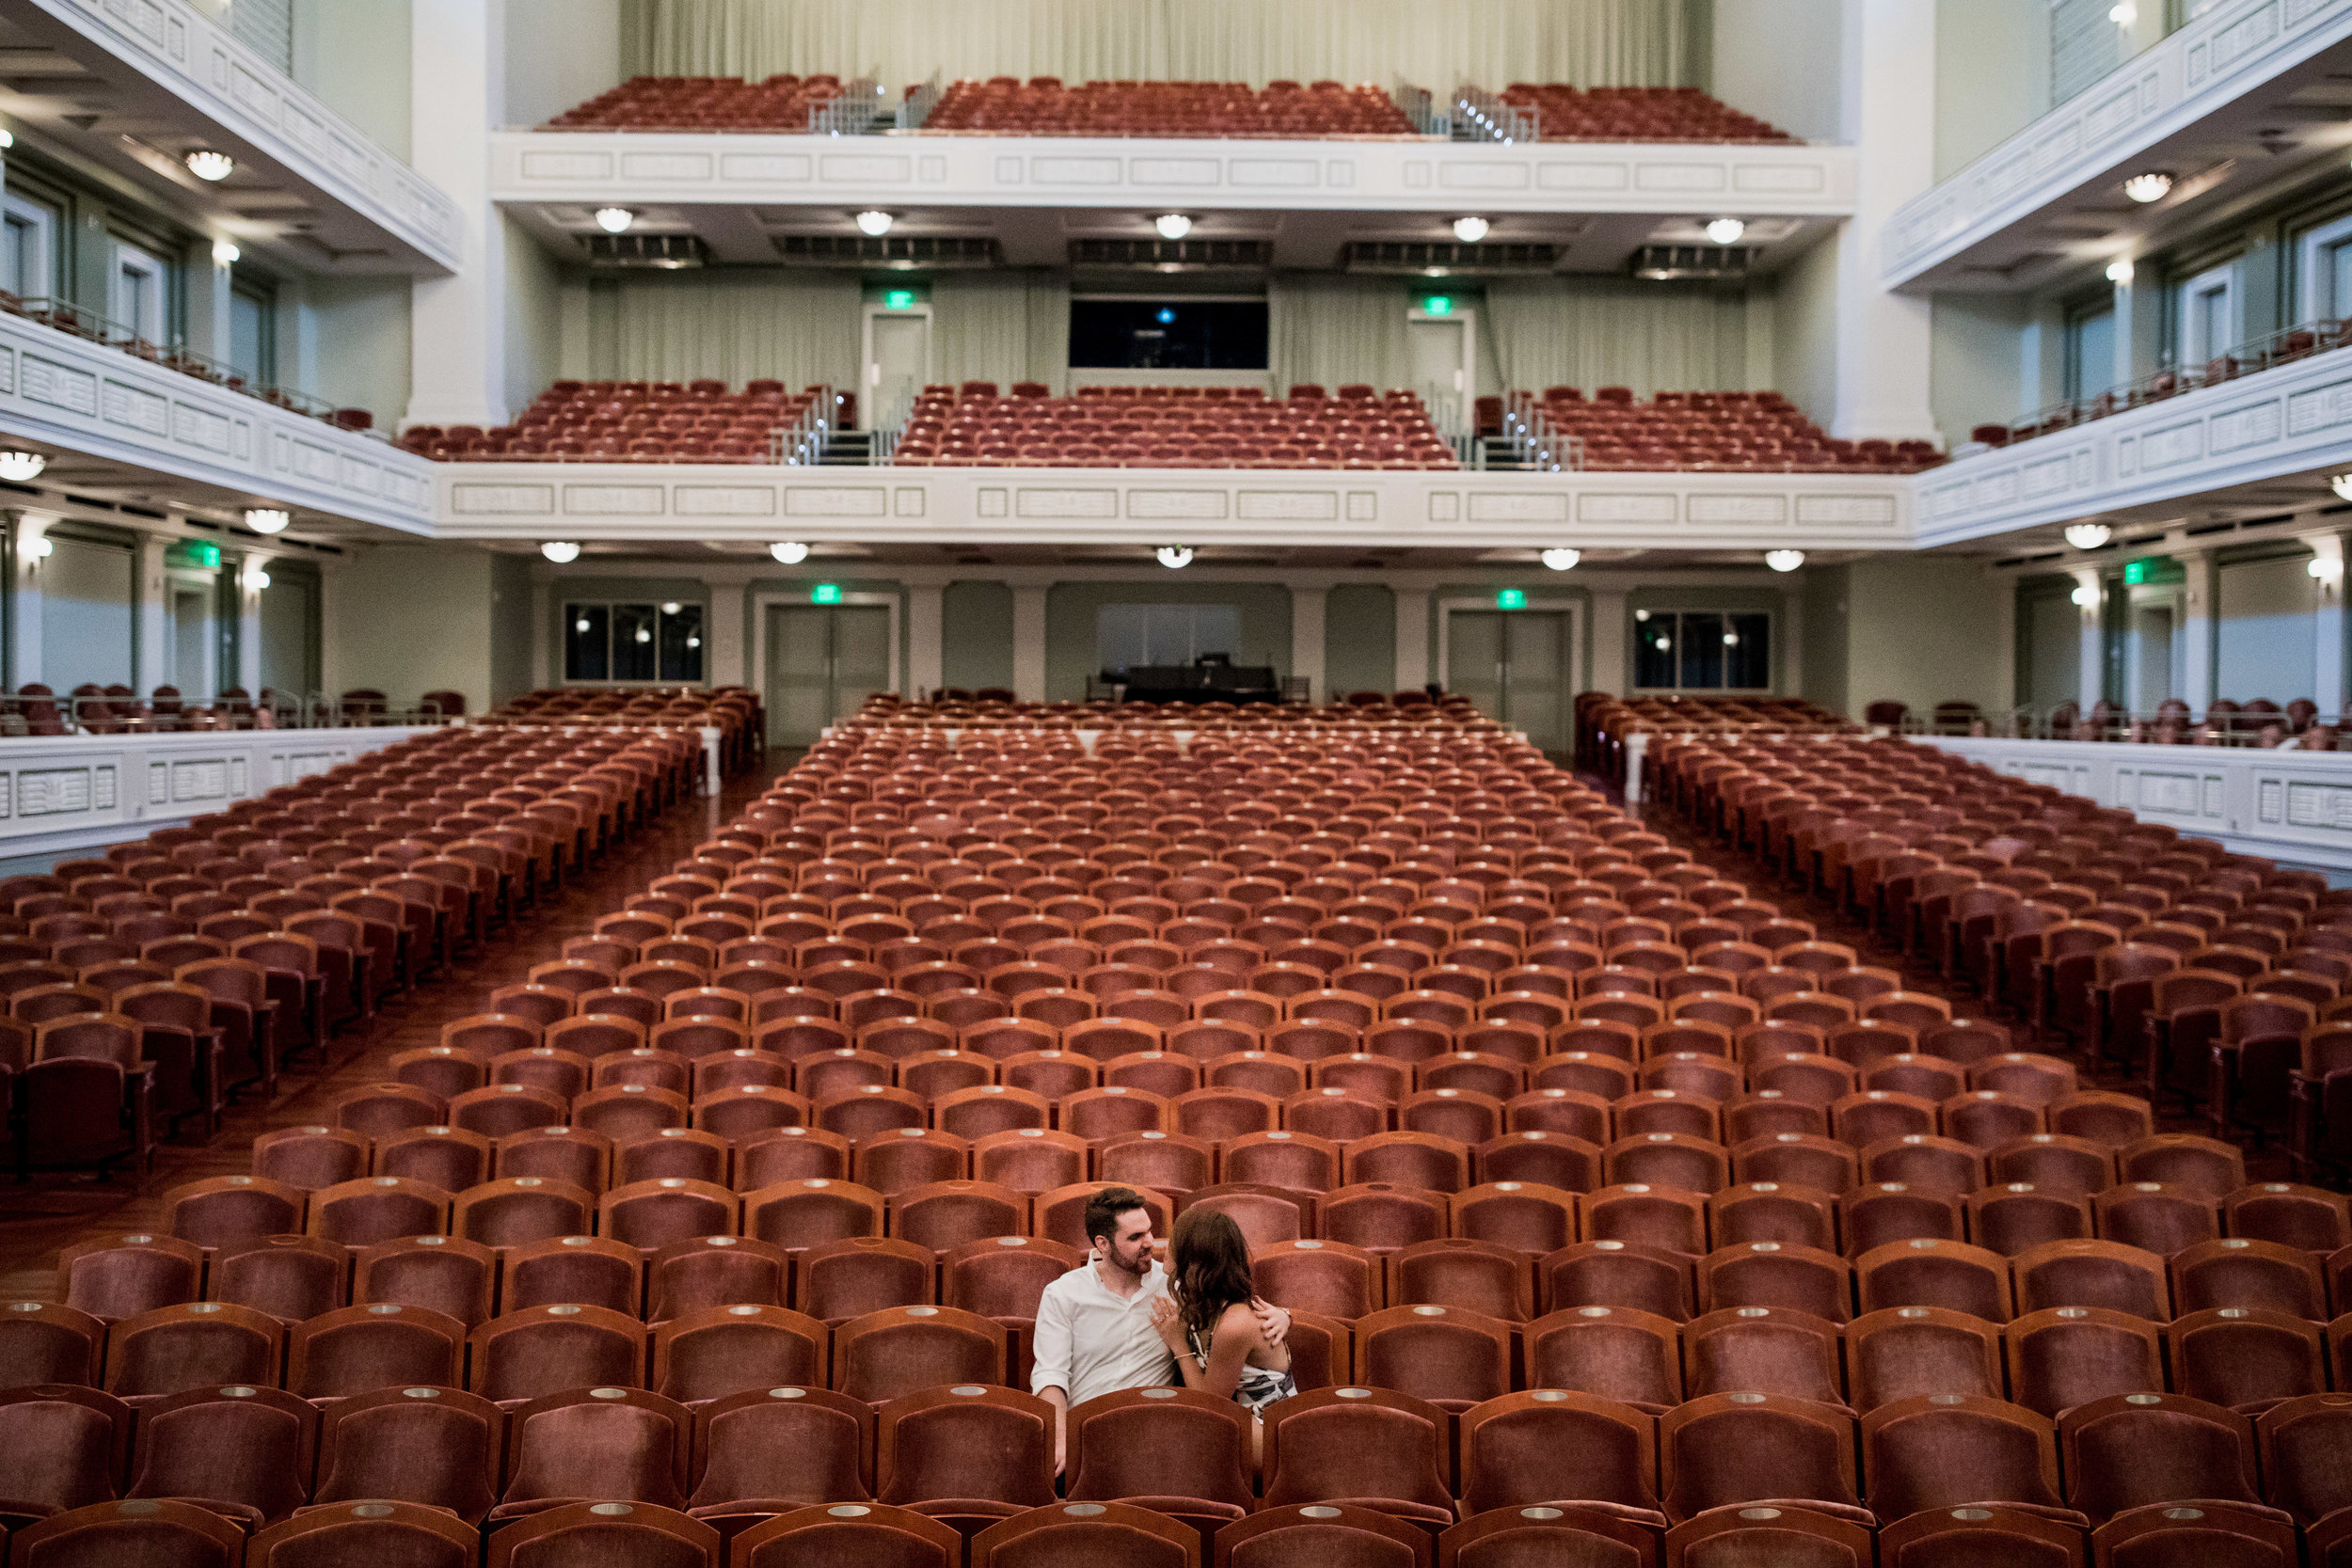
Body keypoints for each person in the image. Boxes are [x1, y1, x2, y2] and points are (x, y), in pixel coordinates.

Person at [1029, 1186, 1289, 1474]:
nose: (1150, 1242)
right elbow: (1051, 1376)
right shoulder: (1063, 1293)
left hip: (1155, 1435)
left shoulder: (1174, 1285)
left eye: (1149, 1231)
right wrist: (1060, 1439)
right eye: (1136, 1237)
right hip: (1087, 1432)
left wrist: (1285, 1315)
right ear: (1103, 1244)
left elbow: (1237, 1307)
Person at [1152, 1207, 1295, 1461]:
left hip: (1268, 1435)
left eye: (1175, 1240)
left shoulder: (1234, 1324)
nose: (1165, 1248)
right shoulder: (1198, 1301)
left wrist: (1178, 1344)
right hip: (1231, 1422)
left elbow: (1209, 1404)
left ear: (1193, 1256)